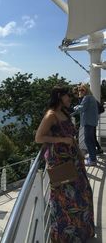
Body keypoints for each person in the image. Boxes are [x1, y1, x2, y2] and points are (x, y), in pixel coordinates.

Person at [36, 86, 95, 242]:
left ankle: (82, 233)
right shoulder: (51, 115)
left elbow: (71, 136)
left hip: (74, 161)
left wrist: (80, 153)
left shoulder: (64, 113)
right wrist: (61, 140)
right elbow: (39, 138)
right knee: (65, 201)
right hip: (60, 163)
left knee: (83, 195)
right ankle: (66, 237)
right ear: (59, 96)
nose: (71, 98)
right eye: (68, 96)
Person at [72, 84, 99, 166]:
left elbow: (81, 108)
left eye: (82, 90)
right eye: (79, 90)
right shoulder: (91, 97)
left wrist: (74, 108)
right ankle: (92, 157)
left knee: (88, 141)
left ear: (86, 90)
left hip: (88, 122)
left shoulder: (87, 98)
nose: (80, 91)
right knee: (91, 140)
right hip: (92, 122)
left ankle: (93, 160)